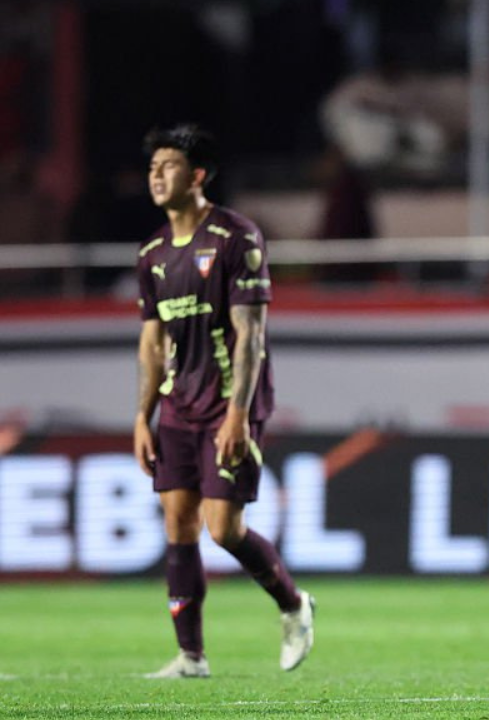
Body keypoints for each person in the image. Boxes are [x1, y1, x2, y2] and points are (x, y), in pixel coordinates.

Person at [132, 124, 315, 679]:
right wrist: (141, 415)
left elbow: (251, 334)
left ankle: (293, 605)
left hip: (229, 404)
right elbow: (151, 342)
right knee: (177, 522)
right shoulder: (153, 255)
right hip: (177, 406)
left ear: (198, 175)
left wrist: (238, 412)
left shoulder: (236, 239)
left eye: (168, 166)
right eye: (152, 167)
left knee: (223, 528)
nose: (156, 176)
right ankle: (191, 655)